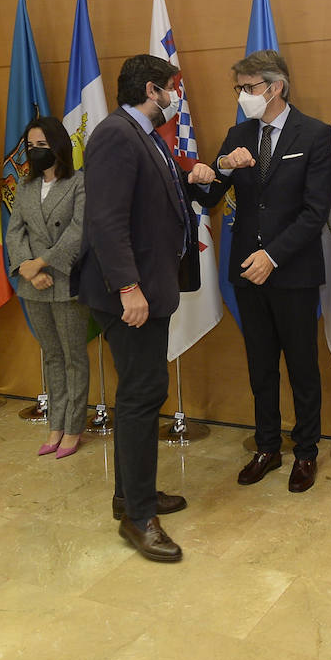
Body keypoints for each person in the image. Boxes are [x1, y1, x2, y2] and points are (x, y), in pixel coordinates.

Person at [78, 54, 216, 563]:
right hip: (129, 295)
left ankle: (132, 494)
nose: (175, 99)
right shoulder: (117, 134)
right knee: (140, 398)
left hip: (151, 287)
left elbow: (163, 200)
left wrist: (203, 176)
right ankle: (137, 518)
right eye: (172, 90)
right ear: (152, 90)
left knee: (144, 393)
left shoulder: (143, 135)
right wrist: (128, 288)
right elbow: (106, 221)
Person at [196, 49, 331, 493]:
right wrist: (213, 169)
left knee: (301, 366)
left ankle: (307, 452)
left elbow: (316, 212)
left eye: (248, 88)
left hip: (291, 272)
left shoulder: (314, 134)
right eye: (238, 89)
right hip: (245, 272)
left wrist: (272, 256)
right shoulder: (238, 132)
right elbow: (211, 198)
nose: (242, 97)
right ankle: (268, 447)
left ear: (275, 87)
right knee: (260, 366)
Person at [5, 116, 90, 459]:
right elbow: (15, 233)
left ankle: (73, 427)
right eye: (30, 146)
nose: (35, 152)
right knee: (52, 356)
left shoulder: (80, 183)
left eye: (42, 145)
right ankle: (55, 424)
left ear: (58, 147)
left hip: (67, 281)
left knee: (73, 358)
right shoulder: (24, 188)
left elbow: (79, 230)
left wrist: (43, 263)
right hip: (34, 286)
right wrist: (27, 269)